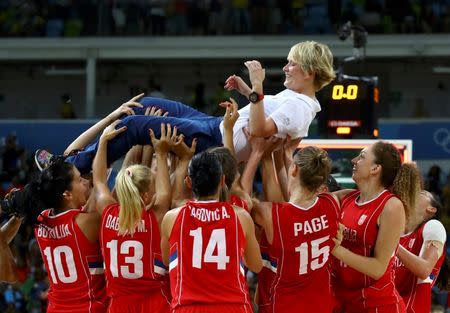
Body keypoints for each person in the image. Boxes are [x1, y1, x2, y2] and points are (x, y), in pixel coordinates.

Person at [37, 41, 335, 174]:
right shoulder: (295, 99)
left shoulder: (301, 107)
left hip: (217, 142)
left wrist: (257, 86)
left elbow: (258, 130)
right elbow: (260, 115)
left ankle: (74, 168)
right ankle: (81, 160)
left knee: (136, 125)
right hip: (215, 125)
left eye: (292, 63)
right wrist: (247, 91)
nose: (285, 67)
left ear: (308, 72)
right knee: (145, 104)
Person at [93, 122, 182, 313]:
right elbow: (166, 192)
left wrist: (102, 142)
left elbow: (99, 179)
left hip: (119, 305)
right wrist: (161, 151)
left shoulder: (107, 212)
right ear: (147, 197)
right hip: (156, 303)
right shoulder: (155, 217)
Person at [160, 151, 263, 313]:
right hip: (233, 307)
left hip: (188, 307)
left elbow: (167, 260)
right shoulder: (240, 217)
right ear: (222, 181)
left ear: (188, 182)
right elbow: (256, 266)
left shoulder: (172, 217)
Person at [3, 159, 108, 312]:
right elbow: (101, 186)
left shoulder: (41, 223)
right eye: (80, 180)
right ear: (67, 194)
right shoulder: (85, 221)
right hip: (88, 308)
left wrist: (19, 210)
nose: (85, 181)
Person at [332, 141, 422, 313]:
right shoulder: (348, 198)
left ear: (375, 169)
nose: (354, 160)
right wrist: (279, 157)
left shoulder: (391, 206)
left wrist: (337, 250)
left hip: (378, 306)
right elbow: (305, 201)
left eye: (362, 157)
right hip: (347, 303)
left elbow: (377, 268)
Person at [251, 146, 340, 313]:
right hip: (321, 306)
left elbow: (243, 198)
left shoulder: (269, 213)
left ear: (293, 168)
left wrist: (261, 153)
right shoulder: (332, 202)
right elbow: (286, 205)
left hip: (283, 306)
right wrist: (276, 157)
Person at [394, 190, 448, 313]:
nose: (414, 192)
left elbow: (424, 270)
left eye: (421, 193)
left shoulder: (433, 226)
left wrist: (390, 242)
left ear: (431, 209)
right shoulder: (395, 232)